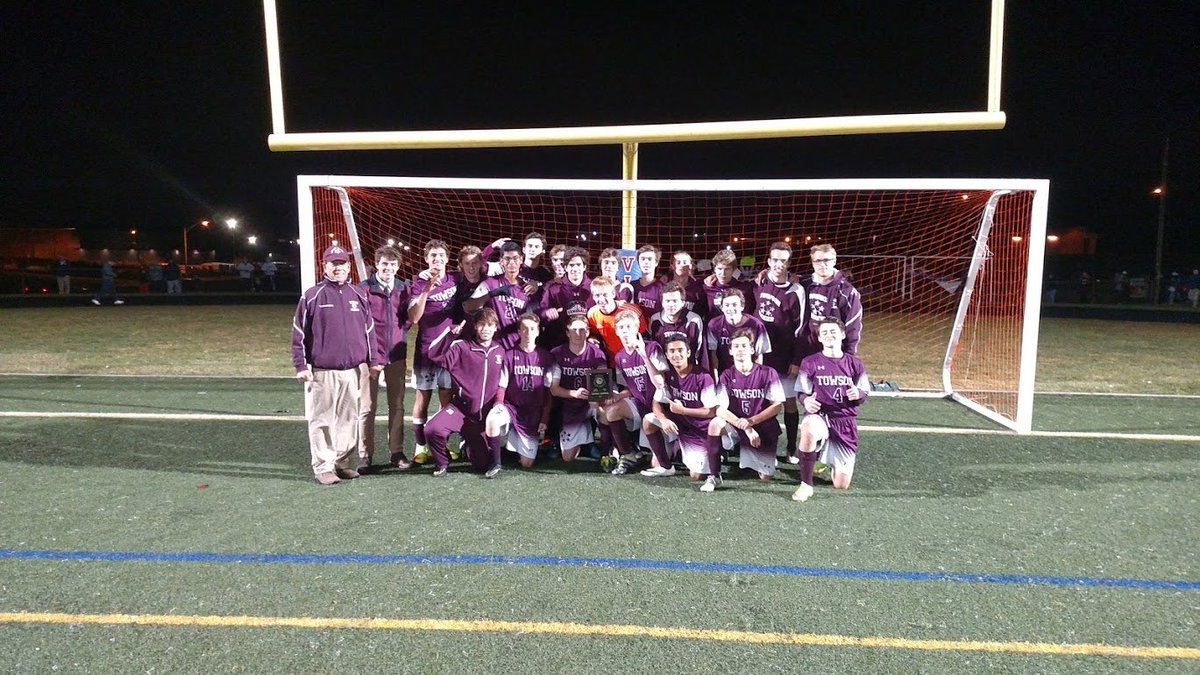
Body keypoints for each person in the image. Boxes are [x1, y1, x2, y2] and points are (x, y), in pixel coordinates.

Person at [291, 245, 376, 485]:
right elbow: (298, 333)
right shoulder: (312, 295)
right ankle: (323, 466)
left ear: (349, 266)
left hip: (352, 370)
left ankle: (341, 462)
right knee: (323, 419)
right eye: (333, 264)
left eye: (342, 263)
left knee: (349, 418)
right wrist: (301, 365)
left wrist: (374, 360)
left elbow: (369, 331)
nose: (338, 268)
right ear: (325, 266)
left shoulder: (358, 294)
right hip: (323, 371)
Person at [793, 318, 869, 502]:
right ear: (819, 338)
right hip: (820, 415)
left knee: (841, 485)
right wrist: (806, 401)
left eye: (833, 331)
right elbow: (801, 392)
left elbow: (864, 392)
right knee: (808, 429)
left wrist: (857, 394)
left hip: (844, 422)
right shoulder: (810, 362)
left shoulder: (854, 364)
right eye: (824, 332)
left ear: (842, 335)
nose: (829, 335)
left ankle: (821, 456)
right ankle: (806, 484)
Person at [424, 309, 506, 476]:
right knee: (432, 429)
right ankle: (442, 464)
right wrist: (449, 336)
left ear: (496, 327)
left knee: (481, 466)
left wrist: (498, 405)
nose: (486, 329)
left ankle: (469, 448)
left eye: (490, 325)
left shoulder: (500, 351)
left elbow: (503, 383)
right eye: (482, 324)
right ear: (475, 326)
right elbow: (434, 355)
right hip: (460, 410)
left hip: (483, 416)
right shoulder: (461, 347)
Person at [705, 329, 786, 492]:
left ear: (752, 349)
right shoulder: (726, 375)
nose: (740, 349)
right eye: (736, 346)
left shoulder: (768, 373)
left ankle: (749, 453)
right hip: (737, 426)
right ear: (730, 351)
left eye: (744, 345)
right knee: (715, 423)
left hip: (762, 427)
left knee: (765, 477)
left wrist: (751, 422)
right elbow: (720, 409)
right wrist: (746, 427)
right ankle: (714, 475)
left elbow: (778, 405)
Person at [358, 245, 412, 473]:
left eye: (392, 264)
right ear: (376, 264)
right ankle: (364, 454)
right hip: (370, 356)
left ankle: (396, 451)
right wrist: (370, 354)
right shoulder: (363, 289)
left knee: (397, 405)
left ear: (398, 266)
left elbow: (407, 319)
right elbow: (358, 322)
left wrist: (400, 334)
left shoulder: (403, 288)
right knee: (367, 407)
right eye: (384, 263)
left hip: (396, 355)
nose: (388, 268)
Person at [407, 239, 459, 464]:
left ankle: (441, 444)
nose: (437, 259)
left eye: (441, 255)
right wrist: (427, 289)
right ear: (426, 259)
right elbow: (414, 318)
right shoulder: (419, 283)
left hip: (448, 351)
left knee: (446, 399)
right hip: (426, 351)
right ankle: (420, 447)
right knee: (423, 398)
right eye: (433, 256)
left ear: (447, 258)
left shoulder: (455, 279)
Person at [753, 242, 806, 459]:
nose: (779, 264)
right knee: (761, 401)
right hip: (759, 355)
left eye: (783, 260)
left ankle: (791, 447)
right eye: (775, 259)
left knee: (788, 401)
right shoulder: (758, 283)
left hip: (784, 356)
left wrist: (796, 359)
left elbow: (801, 328)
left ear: (789, 263)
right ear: (768, 262)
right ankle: (761, 444)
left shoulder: (796, 291)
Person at [484, 314, 555, 473]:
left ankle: (509, 451)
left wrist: (544, 418)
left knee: (527, 464)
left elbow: (548, 392)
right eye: (524, 329)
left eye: (532, 329)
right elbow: (501, 385)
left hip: (533, 412)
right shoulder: (508, 355)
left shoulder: (546, 357)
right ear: (519, 331)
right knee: (493, 419)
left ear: (538, 332)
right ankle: (495, 463)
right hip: (511, 408)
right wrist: (498, 404)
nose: (528, 333)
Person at [642, 333, 718, 479]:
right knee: (648, 420)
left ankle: (717, 451)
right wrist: (663, 419)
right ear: (667, 355)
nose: (676, 354)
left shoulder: (703, 376)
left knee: (696, 476)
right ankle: (665, 466)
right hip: (679, 425)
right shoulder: (668, 374)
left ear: (688, 352)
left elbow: (711, 412)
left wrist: (683, 410)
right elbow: (656, 402)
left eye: (680, 350)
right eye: (671, 351)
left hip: (700, 430)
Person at [599, 310, 668, 471]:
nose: (625, 330)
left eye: (629, 326)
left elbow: (660, 383)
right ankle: (628, 454)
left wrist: (644, 356)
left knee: (657, 464)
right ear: (616, 331)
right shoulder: (619, 357)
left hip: (661, 408)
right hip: (640, 405)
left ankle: (674, 445)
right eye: (621, 327)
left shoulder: (652, 347)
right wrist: (617, 396)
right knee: (611, 411)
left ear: (637, 328)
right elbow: (629, 388)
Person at [549, 314, 609, 462]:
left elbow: (600, 391)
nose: (578, 333)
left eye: (582, 330)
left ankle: (607, 449)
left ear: (587, 332)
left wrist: (594, 400)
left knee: (604, 411)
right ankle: (585, 438)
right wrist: (574, 393)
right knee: (568, 458)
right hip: (568, 405)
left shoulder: (597, 353)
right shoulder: (556, 353)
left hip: (590, 403)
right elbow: (554, 389)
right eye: (574, 330)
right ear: (567, 332)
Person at [464, 240, 539, 349]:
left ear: (521, 260)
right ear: (501, 261)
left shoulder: (528, 288)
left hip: (520, 348)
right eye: (507, 259)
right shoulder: (490, 283)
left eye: (515, 258)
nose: (511, 262)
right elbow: (468, 307)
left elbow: (534, 320)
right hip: (494, 348)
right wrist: (491, 294)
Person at [800, 244, 862, 357]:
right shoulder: (805, 284)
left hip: (835, 352)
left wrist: (849, 355)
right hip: (808, 349)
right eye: (818, 260)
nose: (822, 264)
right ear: (813, 263)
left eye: (826, 260)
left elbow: (853, 326)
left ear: (834, 261)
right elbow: (782, 277)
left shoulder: (846, 291)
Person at [706, 288, 770, 376]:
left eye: (734, 305)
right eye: (727, 305)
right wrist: (716, 380)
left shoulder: (756, 325)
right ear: (721, 308)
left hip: (749, 373)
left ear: (742, 306)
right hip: (725, 375)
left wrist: (755, 378)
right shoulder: (714, 325)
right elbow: (713, 356)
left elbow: (759, 355)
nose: (731, 308)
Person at [540, 246, 592, 350]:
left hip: (587, 342)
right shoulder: (553, 289)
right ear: (566, 267)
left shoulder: (594, 289)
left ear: (584, 267)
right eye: (571, 265)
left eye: (578, 265)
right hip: (559, 343)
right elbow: (541, 313)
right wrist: (547, 313)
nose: (575, 269)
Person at [649, 280, 708, 372]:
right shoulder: (655, 320)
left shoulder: (694, 320)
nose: (671, 305)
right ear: (662, 302)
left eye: (675, 301)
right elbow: (654, 351)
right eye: (667, 301)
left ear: (683, 303)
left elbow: (701, 351)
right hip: (665, 372)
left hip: (689, 371)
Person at [586, 276, 644, 363]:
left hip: (635, 361)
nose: (601, 299)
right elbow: (594, 335)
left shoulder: (632, 310)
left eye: (605, 294)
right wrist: (592, 340)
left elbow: (643, 334)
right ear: (593, 297)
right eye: (597, 295)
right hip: (612, 361)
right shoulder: (592, 314)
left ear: (613, 293)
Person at [702, 250, 755, 318]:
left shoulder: (744, 288)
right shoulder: (707, 287)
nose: (723, 273)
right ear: (714, 269)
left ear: (733, 269)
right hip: (714, 327)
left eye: (727, 269)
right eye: (719, 268)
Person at [630, 245, 664, 317]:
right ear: (638, 262)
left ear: (656, 263)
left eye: (649, 259)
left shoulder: (662, 288)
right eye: (643, 259)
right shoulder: (631, 287)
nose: (646, 262)